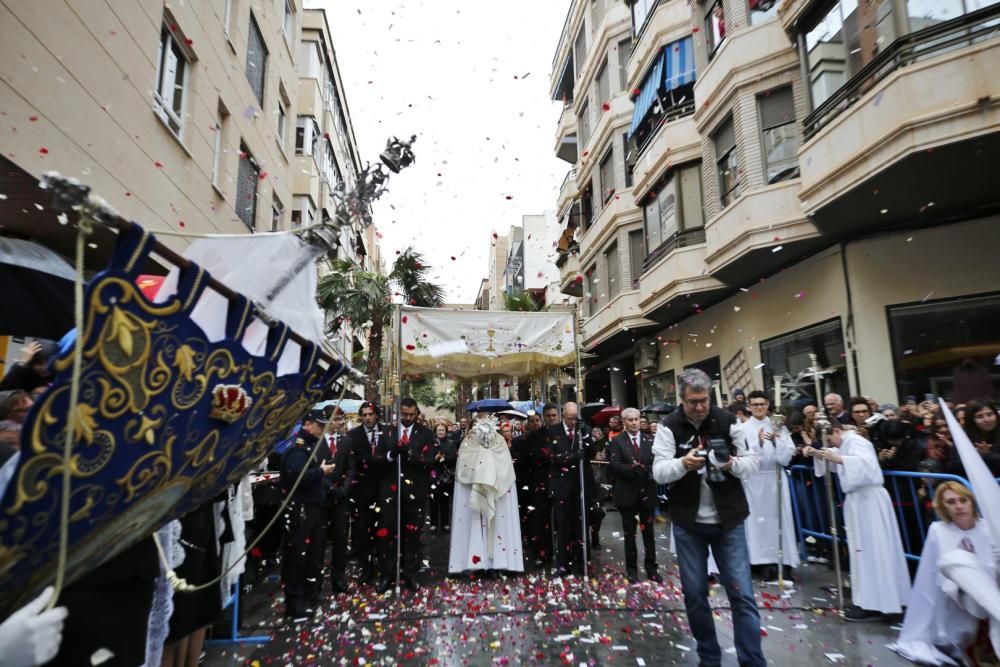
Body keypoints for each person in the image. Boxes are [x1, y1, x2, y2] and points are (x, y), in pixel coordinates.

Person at [652, 368, 765, 667]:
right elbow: (659, 470)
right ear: (681, 399)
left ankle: (753, 661)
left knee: (742, 593)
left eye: (704, 400)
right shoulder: (669, 426)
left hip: (729, 520)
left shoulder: (728, 421)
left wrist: (730, 464)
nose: (700, 407)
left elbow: (753, 463)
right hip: (689, 523)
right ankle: (709, 658)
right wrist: (682, 464)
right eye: (693, 402)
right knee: (695, 594)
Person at [804, 422, 911, 621]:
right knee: (862, 551)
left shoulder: (857, 441)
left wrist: (836, 458)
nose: (831, 444)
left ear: (836, 431)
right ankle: (870, 600)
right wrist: (819, 454)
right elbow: (838, 460)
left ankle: (883, 603)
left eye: (830, 439)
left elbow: (867, 465)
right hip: (857, 500)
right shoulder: (845, 444)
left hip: (869, 499)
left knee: (875, 550)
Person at [891, 482, 996, 665]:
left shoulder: (990, 529)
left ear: (971, 502)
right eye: (951, 502)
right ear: (943, 506)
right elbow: (931, 571)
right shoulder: (938, 531)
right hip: (953, 594)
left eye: (963, 500)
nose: (958, 506)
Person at [374, 397, 437, 593]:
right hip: (390, 493)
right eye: (404, 414)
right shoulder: (387, 432)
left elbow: (429, 461)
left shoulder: (426, 434)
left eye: (411, 415)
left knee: (412, 536)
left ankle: (411, 573)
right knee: (388, 534)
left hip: (415, 493)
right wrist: (392, 454)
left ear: (416, 414)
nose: (407, 418)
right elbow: (376, 460)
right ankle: (387, 574)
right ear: (399, 412)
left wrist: (410, 453)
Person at [448, 414, 524, 575]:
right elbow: (464, 463)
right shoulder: (467, 442)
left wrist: (490, 466)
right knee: (475, 523)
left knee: (497, 524)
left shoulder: (499, 442)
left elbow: (504, 465)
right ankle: (475, 561)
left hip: (495, 491)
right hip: (474, 490)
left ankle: (497, 562)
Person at [279, 409, 335, 618]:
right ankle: (295, 602)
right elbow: (297, 477)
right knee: (297, 556)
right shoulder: (298, 448)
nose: (322, 429)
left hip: (312, 507)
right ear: (308, 424)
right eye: (319, 425)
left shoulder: (310, 445)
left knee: (312, 554)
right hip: (300, 509)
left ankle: (309, 593)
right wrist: (321, 471)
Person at [740, 390, 799, 581]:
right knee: (758, 522)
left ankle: (784, 560)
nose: (758, 407)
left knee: (779, 519)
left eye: (762, 404)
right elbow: (743, 455)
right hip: (754, 479)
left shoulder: (778, 426)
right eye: (755, 404)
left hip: (774, 477)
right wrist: (758, 442)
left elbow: (787, 455)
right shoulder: (743, 428)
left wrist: (776, 442)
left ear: (768, 405)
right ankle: (761, 561)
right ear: (749, 406)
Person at [608, 407, 661, 583]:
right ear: (624, 422)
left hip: (647, 491)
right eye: (629, 420)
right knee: (630, 534)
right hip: (627, 493)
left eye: (636, 419)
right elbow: (614, 464)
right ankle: (632, 570)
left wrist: (646, 469)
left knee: (649, 534)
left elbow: (656, 461)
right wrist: (632, 468)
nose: (634, 422)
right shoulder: (617, 441)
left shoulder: (650, 439)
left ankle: (652, 568)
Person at [546, 402, 591, 576]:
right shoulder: (552, 431)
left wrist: (585, 433)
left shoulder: (582, 429)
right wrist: (572, 457)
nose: (573, 422)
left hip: (580, 485)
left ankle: (582, 561)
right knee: (563, 526)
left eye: (575, 418)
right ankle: (563, 563)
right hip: (561, 486)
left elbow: (591, 451)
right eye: (570, 418)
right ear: (563, 415)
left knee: (581, 525)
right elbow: (551, 457)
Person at [347, 401, 387, 584]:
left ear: (376, 415)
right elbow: (351, 462)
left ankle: (385, 565)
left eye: (370, 414)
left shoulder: (387, 431)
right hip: (362, 492)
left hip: (384, 489)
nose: (367, 418)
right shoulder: (353, 435)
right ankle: (367, 568)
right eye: (364, 415)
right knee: (363, 531)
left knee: (385, 529)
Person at [323, 408, 354, 594]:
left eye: (341, 419)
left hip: (342, 498)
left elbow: (351, 468)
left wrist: (344, 489)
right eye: (336, 419)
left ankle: (338, 577)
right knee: (319, 540)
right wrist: (330, 488)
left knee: (341, 539)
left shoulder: (346, 442)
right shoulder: (317, 443)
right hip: (322, 497)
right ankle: (315, 580)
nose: (340, 423)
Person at [952, 400, 1000, 476]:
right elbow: (953, 466)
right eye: (979, 416)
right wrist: (974, 456)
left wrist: (989, 455)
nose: (986, 420)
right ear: (971, 420)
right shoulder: (962, 436)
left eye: (990, 414)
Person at [429, 422, 457, 532]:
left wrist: (444, 458)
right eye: (439, 430)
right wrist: (435, 458)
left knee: (445, 501)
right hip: (434, 475)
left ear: (446, 431)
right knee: (433, 500)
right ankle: (433, 523)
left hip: (446, 475)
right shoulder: (431, 443)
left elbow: (453, 457)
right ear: (435, 431)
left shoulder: (451, 443)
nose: (441, 432)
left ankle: (445, 523)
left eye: (442, 430)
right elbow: (427, 459)